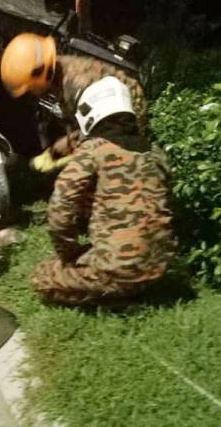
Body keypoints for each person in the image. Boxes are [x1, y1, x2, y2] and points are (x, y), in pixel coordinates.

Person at [25, 76, 173, 305]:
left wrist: (69, 254)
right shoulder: (156, 152)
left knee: (42, 276)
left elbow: (59, 210)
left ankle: (115, 296)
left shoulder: (94, 150)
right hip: (160, 268)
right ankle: (134, 287)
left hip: (117, 269)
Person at [0, 32, 147, 173]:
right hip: (110, 117)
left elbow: (101, 131)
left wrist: (72, 155)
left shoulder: (75, 85)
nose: (31, 93)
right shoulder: (61, 70)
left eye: (30, 88)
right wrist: (59, 149)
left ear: (39, 73)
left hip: (125, 121)